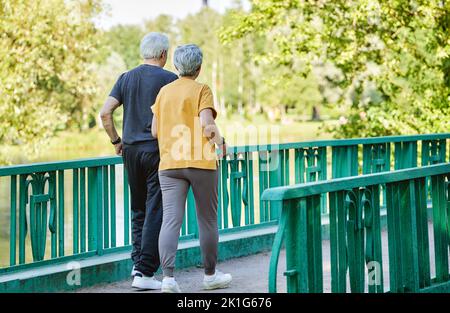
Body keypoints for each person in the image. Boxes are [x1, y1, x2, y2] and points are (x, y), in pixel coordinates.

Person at [151, 44, 232, 293]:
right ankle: (209, 276)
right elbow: (207, 124)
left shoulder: (164, 92)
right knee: (207, 220)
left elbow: (154, 130)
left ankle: (168, 280)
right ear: (198, 67)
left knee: (171, 220)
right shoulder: (202, 90)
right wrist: (221, 144)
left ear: (176, 67)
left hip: (170, 164)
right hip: (201, 163)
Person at [100, 32, 178, 290]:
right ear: (164, 54)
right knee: (156, 208)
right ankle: (145, 273)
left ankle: (138, 264)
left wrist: (116, 141)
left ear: (144, 53)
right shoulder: (170, 80)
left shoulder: (125, 78)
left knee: (138, 209)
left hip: (131, 151)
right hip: (157, 151)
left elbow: (105, 112)